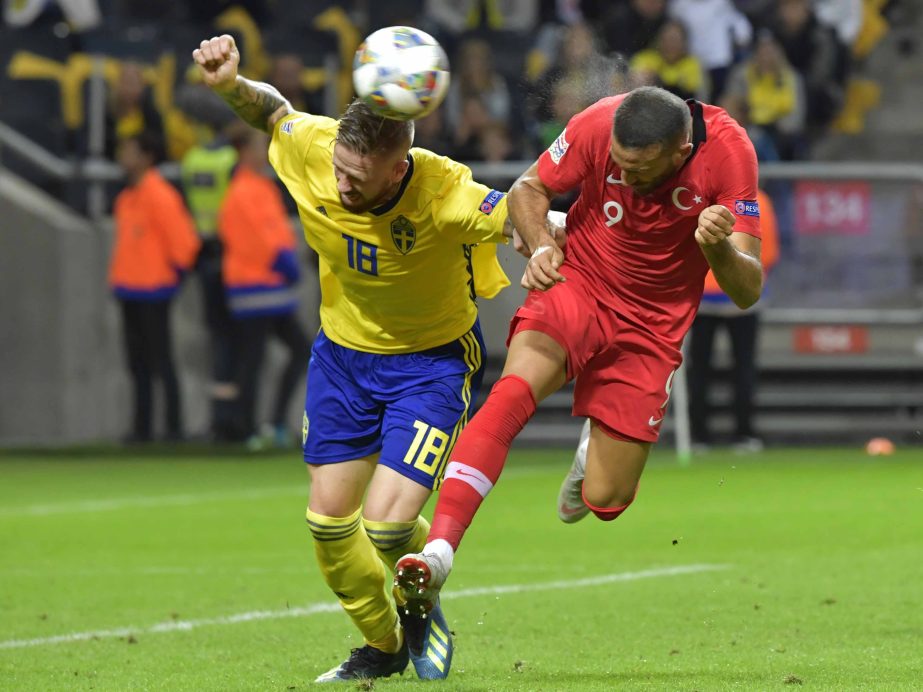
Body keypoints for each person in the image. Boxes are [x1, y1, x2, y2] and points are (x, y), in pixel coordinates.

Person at [192, 33, 558, 684]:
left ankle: (422, 581)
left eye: (356, 179)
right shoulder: (315, 150)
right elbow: (276, 113)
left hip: (429, 364)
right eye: (338, 170)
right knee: (328, 527)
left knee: (388, 530)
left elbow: (512, 215)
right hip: (342, 361)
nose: (340, 184)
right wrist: (231, 86)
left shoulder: (442, 189)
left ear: (399, 167)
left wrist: (539, 245)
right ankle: (386, 644)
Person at [395, 87, 764, 627]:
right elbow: (529, 189)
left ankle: (591, 451)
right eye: (618, 164)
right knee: (511, 394)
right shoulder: (598, 123)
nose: (625, 177)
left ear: (679, 153)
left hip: (651, 323)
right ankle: (439, 553)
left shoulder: (730, 153)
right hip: (581, 278)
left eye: (638, 169)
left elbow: (748, 289)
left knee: (607, 499)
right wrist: (543, 243)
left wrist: (716, 249)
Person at [218, 127, 310, 448]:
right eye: (260, 146)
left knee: (282, 353)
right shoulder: (243, 190)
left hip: (268, 287)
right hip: (254, 287)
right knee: (254, 359)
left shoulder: (260, 187)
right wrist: (284, 262)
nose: (264, 152)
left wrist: (286, 260)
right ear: (243, 151)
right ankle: (250, 427)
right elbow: (258, 239)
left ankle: (268, 424)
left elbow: (274, 231)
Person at [108, 130, 201, 443]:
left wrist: (173, 279)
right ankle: (142, 429)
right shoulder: (126, 198)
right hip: (129, 291)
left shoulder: (160, 195)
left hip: (154, 290)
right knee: (137, 365)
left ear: (147, 157)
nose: (124, 158)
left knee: (161, 362)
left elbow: (184, 243)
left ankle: (173, 428)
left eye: (130, 151)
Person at [689, 187, 779, 452]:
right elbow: (769, 252)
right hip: (729, 296)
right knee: (741, 366)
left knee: (702, 368)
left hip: (707, 295)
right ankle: (742, 434)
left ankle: (701, 435)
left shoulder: (696, 197)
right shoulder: (758, 199)